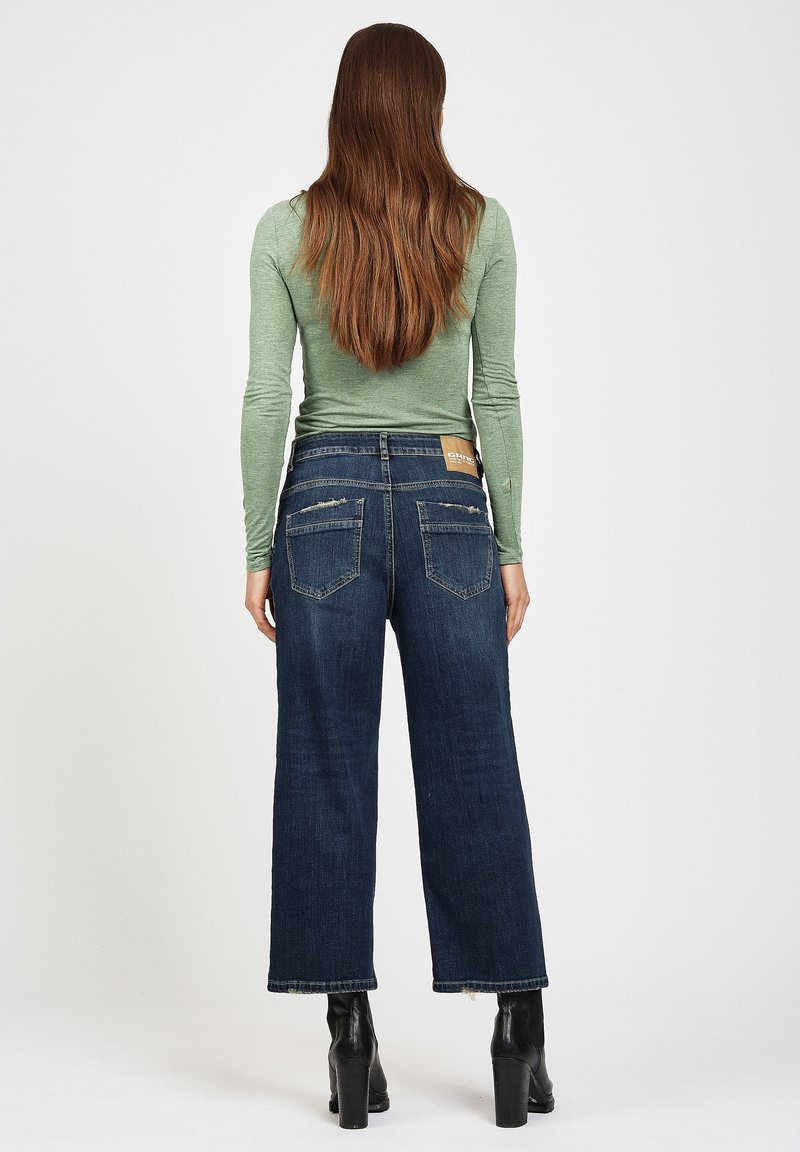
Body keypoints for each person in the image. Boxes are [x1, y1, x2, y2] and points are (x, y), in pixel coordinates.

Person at [240, 21, 554, 1130]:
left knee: (325, 762)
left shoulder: (286, 229)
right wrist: (508, 546)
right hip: (449, 500)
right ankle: (517, 1023)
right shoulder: (480, 224)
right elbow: (496, 393)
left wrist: (258, 548)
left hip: (321, 503)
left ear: (345, 106)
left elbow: (268, 399)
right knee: (474, 758)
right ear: (428, 108)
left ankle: (347, 1031)